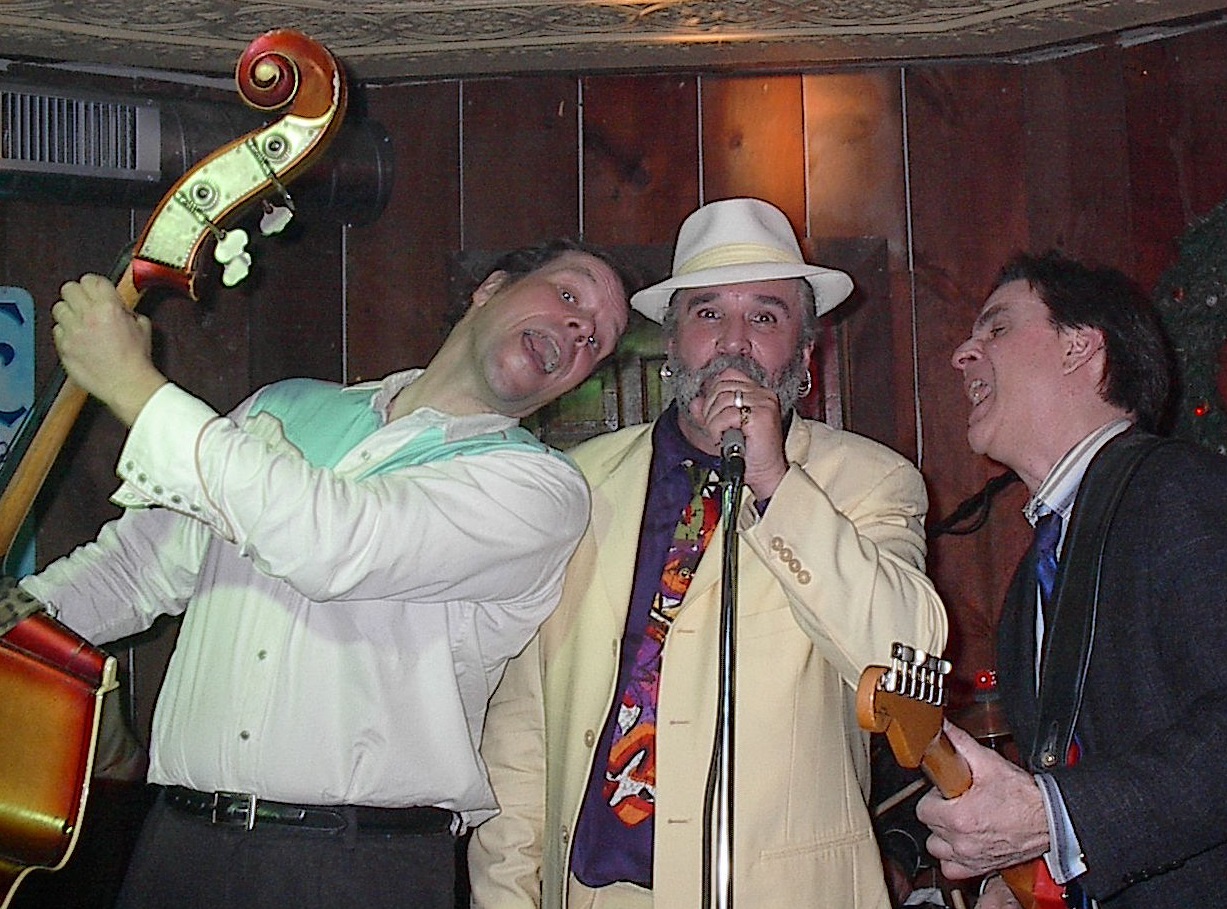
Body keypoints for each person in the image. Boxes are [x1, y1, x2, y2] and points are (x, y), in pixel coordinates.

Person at [16, 238, 632, 909]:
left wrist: (134, 386)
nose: (581, 329)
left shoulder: (537, 489)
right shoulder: (284, 406)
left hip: (354, 866)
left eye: (597, 341)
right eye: (569, 295)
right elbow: (134, 569)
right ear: (489, 289)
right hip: (177, 842)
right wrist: (15, 625)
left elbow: (336, 542)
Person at [468, 197, 948, 908]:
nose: (733, 342)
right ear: (672, 346)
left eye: (765, 317)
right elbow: (522, 727)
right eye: (707, 313)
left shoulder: (869, 481)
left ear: (804, 357)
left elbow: (908, 657)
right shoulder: (577, 484)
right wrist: (506, 895)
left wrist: (774, 482)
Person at [916, 251, 1227, 907]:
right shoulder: (1029, 585)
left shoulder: (1181, 491)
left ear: (1080, 347)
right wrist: (1030, 878)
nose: (962, 354)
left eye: (997, 326)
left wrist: (1057, 820)